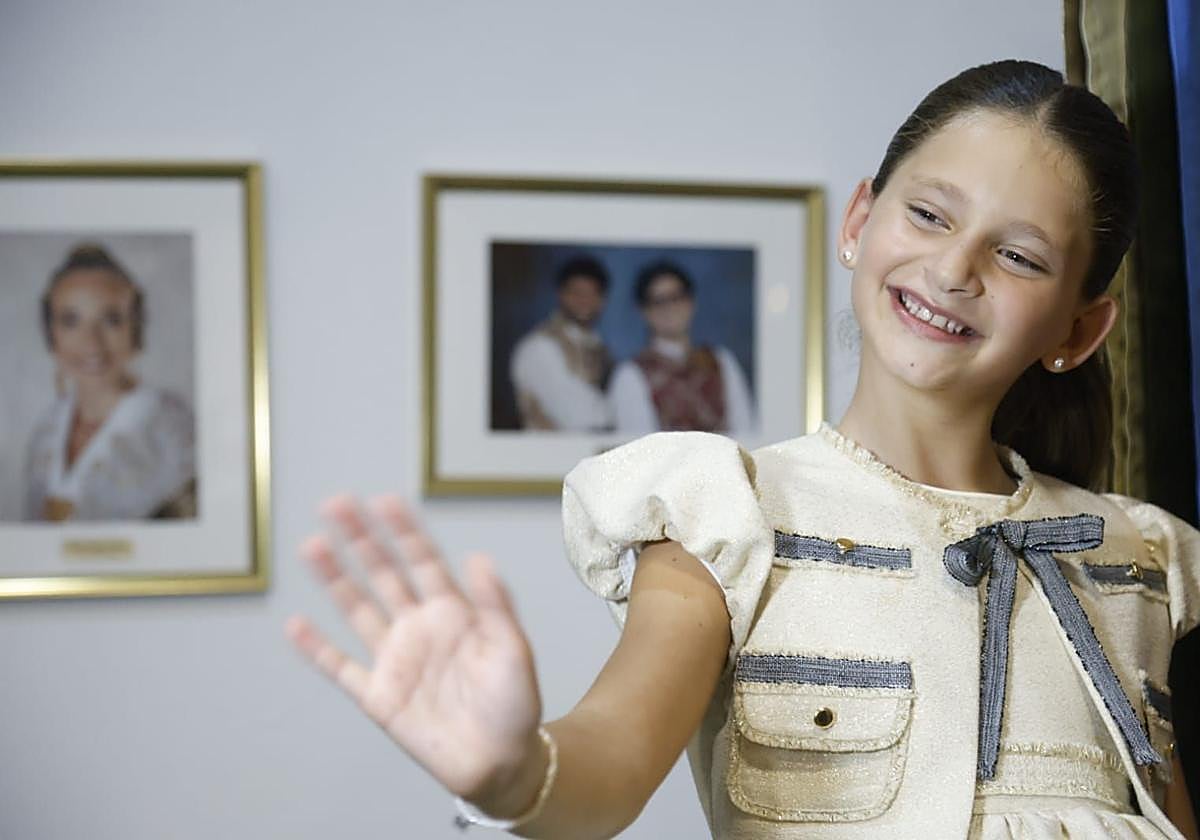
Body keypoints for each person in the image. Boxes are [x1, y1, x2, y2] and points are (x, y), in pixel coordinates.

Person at [287, 61, 1200, 839]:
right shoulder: (728, 512)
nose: (955, 269)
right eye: (930, 214)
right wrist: (510, 773)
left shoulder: (1138, 557)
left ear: (1078, 330)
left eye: (1020, 257)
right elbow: (610, 758)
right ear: (859, 224)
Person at [24, 243, 196, 522]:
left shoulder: (171, 428)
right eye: (70, 321)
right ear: (51, 334)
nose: (91, 342)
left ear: (135, 330)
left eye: (111, 320)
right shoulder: (46, 430)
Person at [608, 261, 755, 434]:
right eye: (658, 301)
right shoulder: (630, 374)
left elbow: (746, 431)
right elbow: (639, 445)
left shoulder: (721, 361)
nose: (669, 308)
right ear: (644, 311)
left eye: (676, 297)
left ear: (691, 302)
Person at [508, 256, 614, 431]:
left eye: (592, 293)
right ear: (561, 295)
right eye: (576, 292)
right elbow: (581, 418)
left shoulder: (600, 349)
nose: (584, 300)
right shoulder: (539, 347)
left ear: (602, 300)